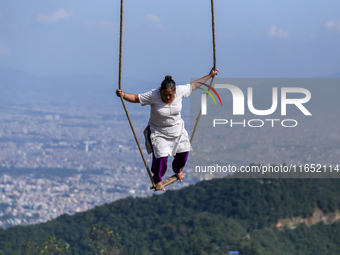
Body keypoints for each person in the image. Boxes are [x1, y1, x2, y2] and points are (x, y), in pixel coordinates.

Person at [116, 68, 219, 191]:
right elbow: (136, 98)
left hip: (177, 129)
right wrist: (123, 95)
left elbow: (194, 85)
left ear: (175, 91)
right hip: (159, 131)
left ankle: (177, 169)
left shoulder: (180, 91)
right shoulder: (153, 95)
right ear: (161, 91)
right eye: (165, 95)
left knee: (184, 152)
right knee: (161, 157)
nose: (168, 97)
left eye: (171, 95)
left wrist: (210, 75)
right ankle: (158, 179)